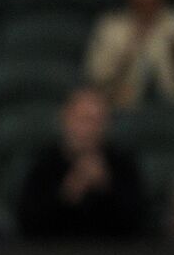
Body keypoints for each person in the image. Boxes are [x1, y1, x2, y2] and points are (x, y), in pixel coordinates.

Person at [17, 87, 146, 241]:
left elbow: (139, 224)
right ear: (66, 118)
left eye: (98, 121)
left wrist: (105, 186)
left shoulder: (122, 165)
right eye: (84, 119)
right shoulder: (43, 164)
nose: (90, 129)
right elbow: (28, 224)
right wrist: (68, 192)